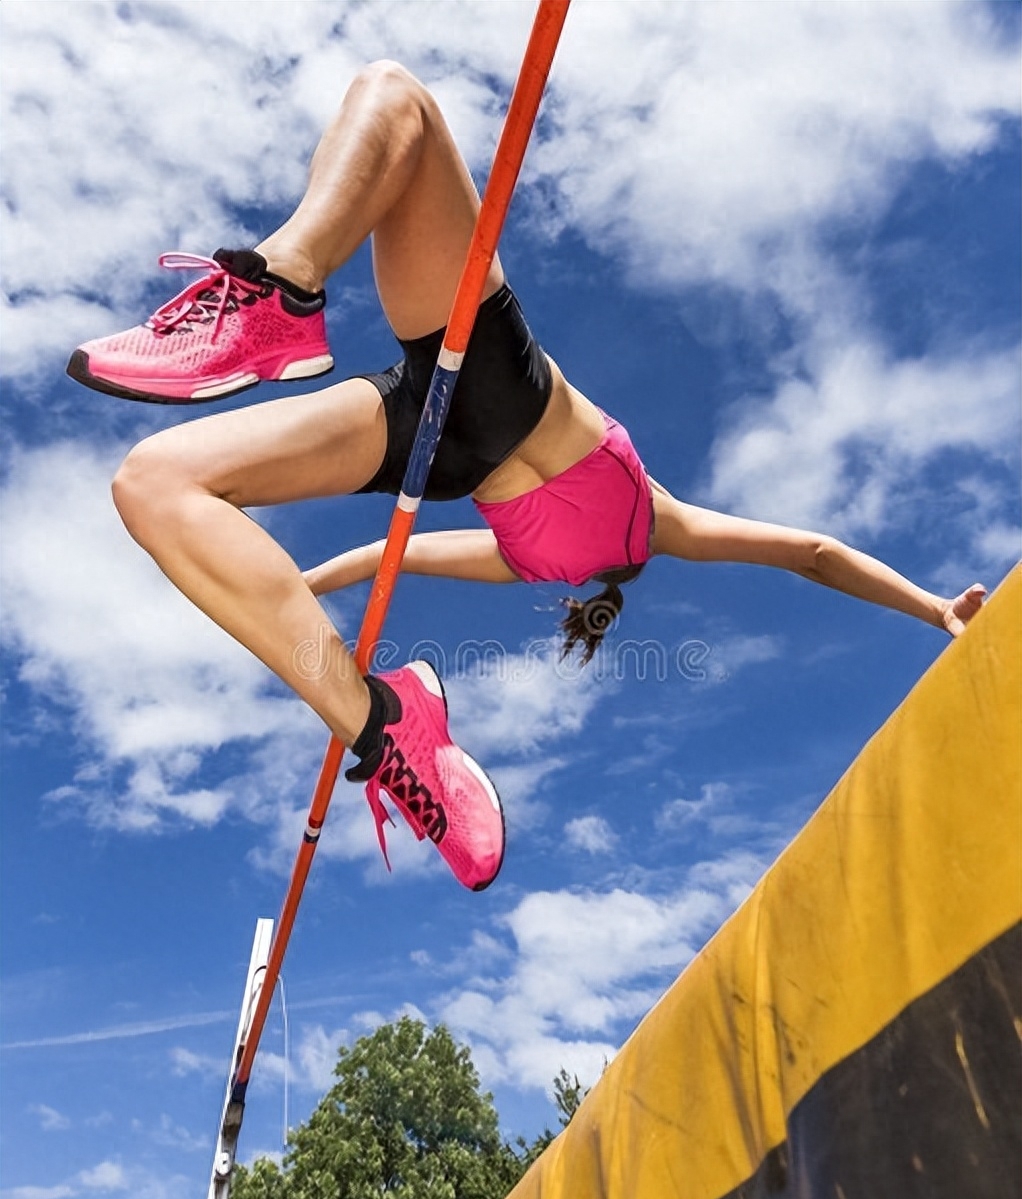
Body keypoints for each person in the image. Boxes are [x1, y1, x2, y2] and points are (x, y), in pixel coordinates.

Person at [69, 62, 985, 891]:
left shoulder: (564, 552)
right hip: (472, 396)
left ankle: (285, 296)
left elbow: (815, 552)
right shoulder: (647, 530)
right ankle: (279, 304)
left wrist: (284, 592)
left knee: (397, 97)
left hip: (452, 406)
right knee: (151, 483)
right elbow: (812, 556)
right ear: (598, 589)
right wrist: (932, 607)